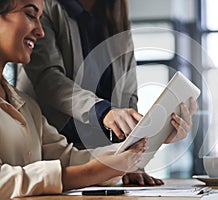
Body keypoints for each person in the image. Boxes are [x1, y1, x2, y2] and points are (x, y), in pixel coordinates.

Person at [18, 0, 198, 185]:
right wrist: (102, 112)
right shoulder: (45, 8)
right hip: (54, 157)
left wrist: (137, 156)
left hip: (100, 160)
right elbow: (48, 80)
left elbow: (129, 96)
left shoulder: (115, 18)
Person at [0, 0, 148, 198]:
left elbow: (68, 157)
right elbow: (5, 181)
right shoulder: (54, 8)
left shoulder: (28, 108)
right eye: (30, 14)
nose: (41, 31)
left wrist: (136, 149)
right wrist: (95, 170)